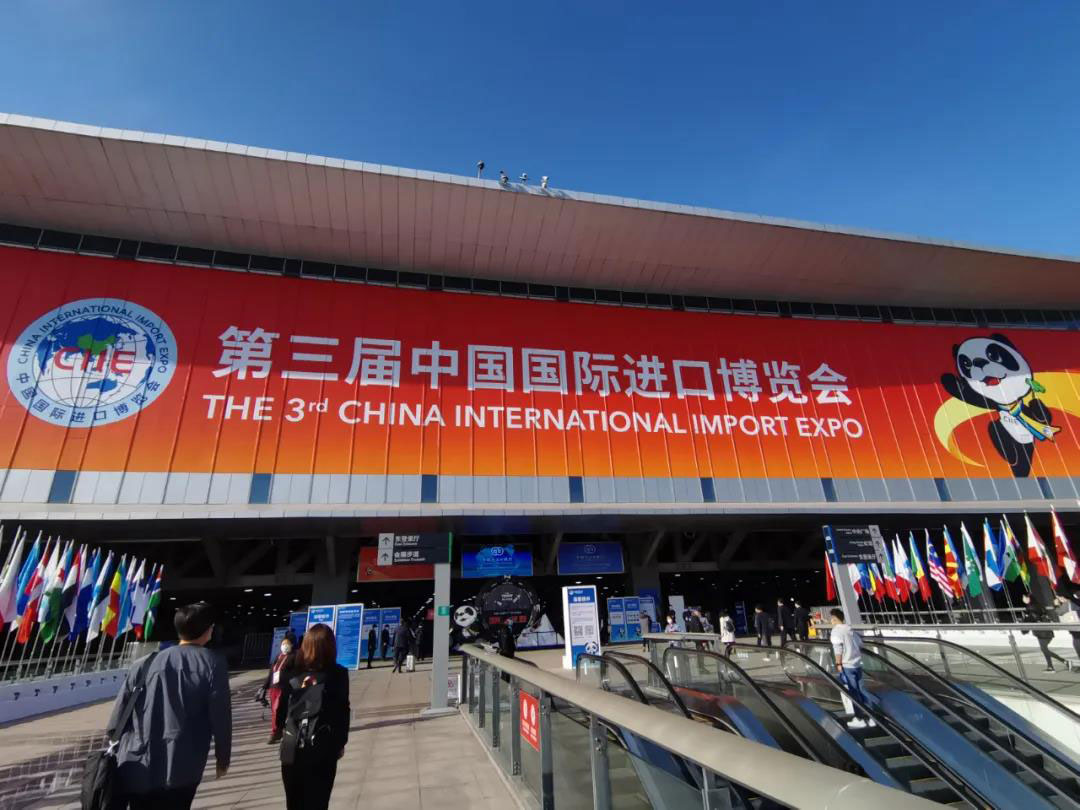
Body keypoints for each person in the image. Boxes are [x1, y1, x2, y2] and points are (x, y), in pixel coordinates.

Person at [110, 602, 232, 810]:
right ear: (207, 630)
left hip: (136, 763)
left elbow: (116, 719)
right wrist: (223, 758)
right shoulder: (213, 664)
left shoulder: (143, 663)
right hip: (181, 765)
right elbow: (221, 717)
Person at [280, 623, 350, 810]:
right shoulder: (338, 674)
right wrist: (340, 743)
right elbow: (342, 711)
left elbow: (281, 711)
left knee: (294, 802)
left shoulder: (292, 674)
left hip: (291, 746)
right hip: (322, 745)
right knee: (319, 801)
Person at [829, 608, 874, 729]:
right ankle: (872, 718)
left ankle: (859, 718)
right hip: (857, 663)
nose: (831, 622)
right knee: (862, 690)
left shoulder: (836, 631)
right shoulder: (850, 629)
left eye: (831, 619)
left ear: (835, 619)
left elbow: (838, 649)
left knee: (853, 692)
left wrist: (838, 664)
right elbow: (860, 644)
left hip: (846, 665)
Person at [1022, 594, 1072, 672]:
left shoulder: (1032, 607)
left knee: (1044, 649)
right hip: (1042, 631)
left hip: (1043, 631)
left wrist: (1024, 626)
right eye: (1023, 598)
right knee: (1044, 649)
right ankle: (1052, 666)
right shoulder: (1034, 605)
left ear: (1029, 598)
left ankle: (1063, 662)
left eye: (1025, 597)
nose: (1023, 599)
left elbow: (1033, 618)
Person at [261, 631, 297, 743]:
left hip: (284, 688)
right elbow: (271, 672)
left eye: (287, 643)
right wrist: (264, 687)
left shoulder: (294, 656)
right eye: (283, 643)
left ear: (292, 644)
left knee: (280, 710)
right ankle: (278, 731)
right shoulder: (279, 656)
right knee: (275, 711)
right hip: (274, 687)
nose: (284, 646)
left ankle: (276, 732)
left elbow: (296, 673)